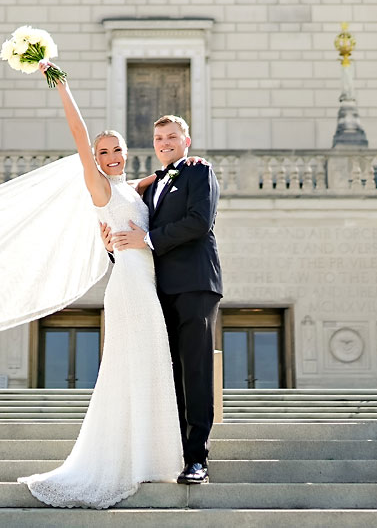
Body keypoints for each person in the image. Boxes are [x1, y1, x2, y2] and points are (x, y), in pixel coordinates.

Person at [18, 64, 183, 509]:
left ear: (126, 153)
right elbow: (78, 130)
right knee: (136, 364)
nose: (109, 156)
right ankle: (129, 461)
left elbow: (165, 176)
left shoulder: (129, 187)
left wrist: (183, 159)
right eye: (102, 151)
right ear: (95, 156)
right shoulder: (98, 186)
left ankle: (147, 457)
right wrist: (63, 85)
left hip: (143, 281)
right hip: (129, 285)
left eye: (115, 150)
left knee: (145, 366)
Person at [109, 113, 222, 485]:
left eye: (172, 137)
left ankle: (197, 460)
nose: (165, 143)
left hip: (194, 284)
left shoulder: (198, 171)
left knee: (195, 370)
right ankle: (172, 454)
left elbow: (198, 221)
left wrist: (148, 240)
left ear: (186, 141)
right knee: (169, 374)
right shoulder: (155, 182)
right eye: (159, 138)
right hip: (158, 289)